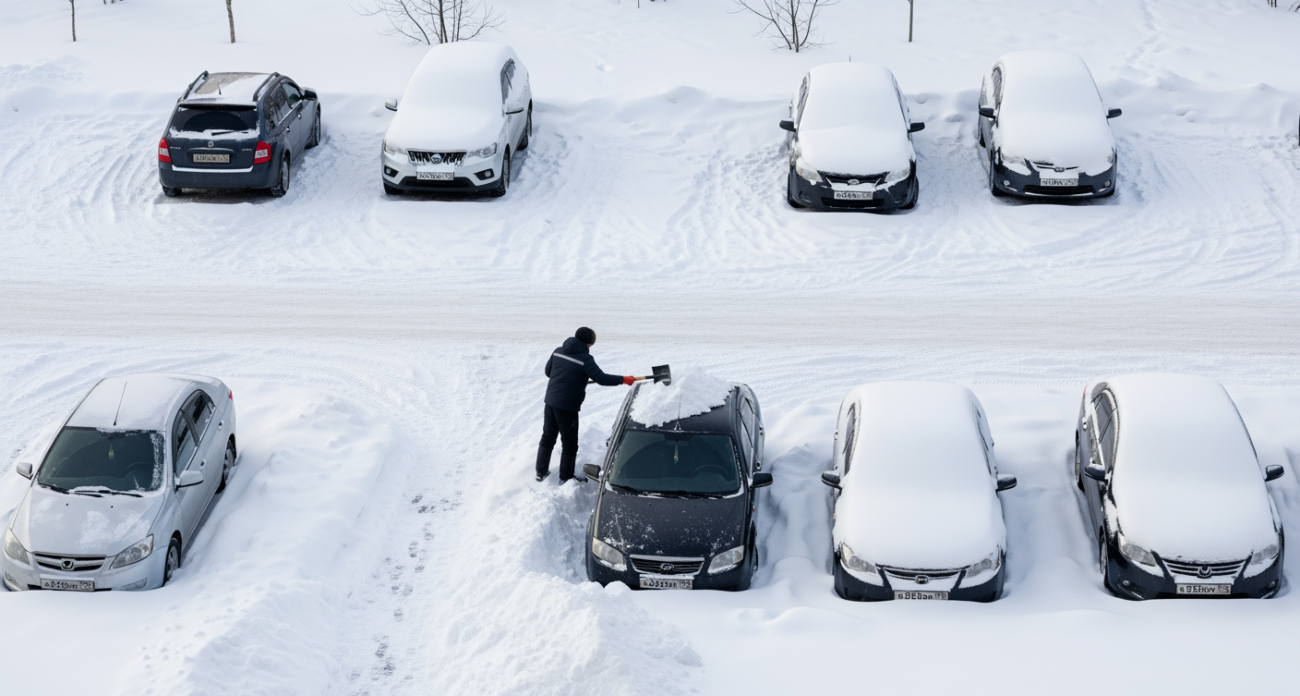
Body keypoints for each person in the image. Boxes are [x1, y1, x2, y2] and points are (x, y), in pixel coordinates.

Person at [537, 327, 635, 483]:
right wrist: (624, 379)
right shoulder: (585, 359)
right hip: (567, 407)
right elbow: (602, 378)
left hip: (550, 402)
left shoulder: (557, 351)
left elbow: (549, 372)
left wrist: (572, 377)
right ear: (588, 343)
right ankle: (566, 478)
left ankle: (540, 472)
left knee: (547, 437)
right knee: (569, 444)